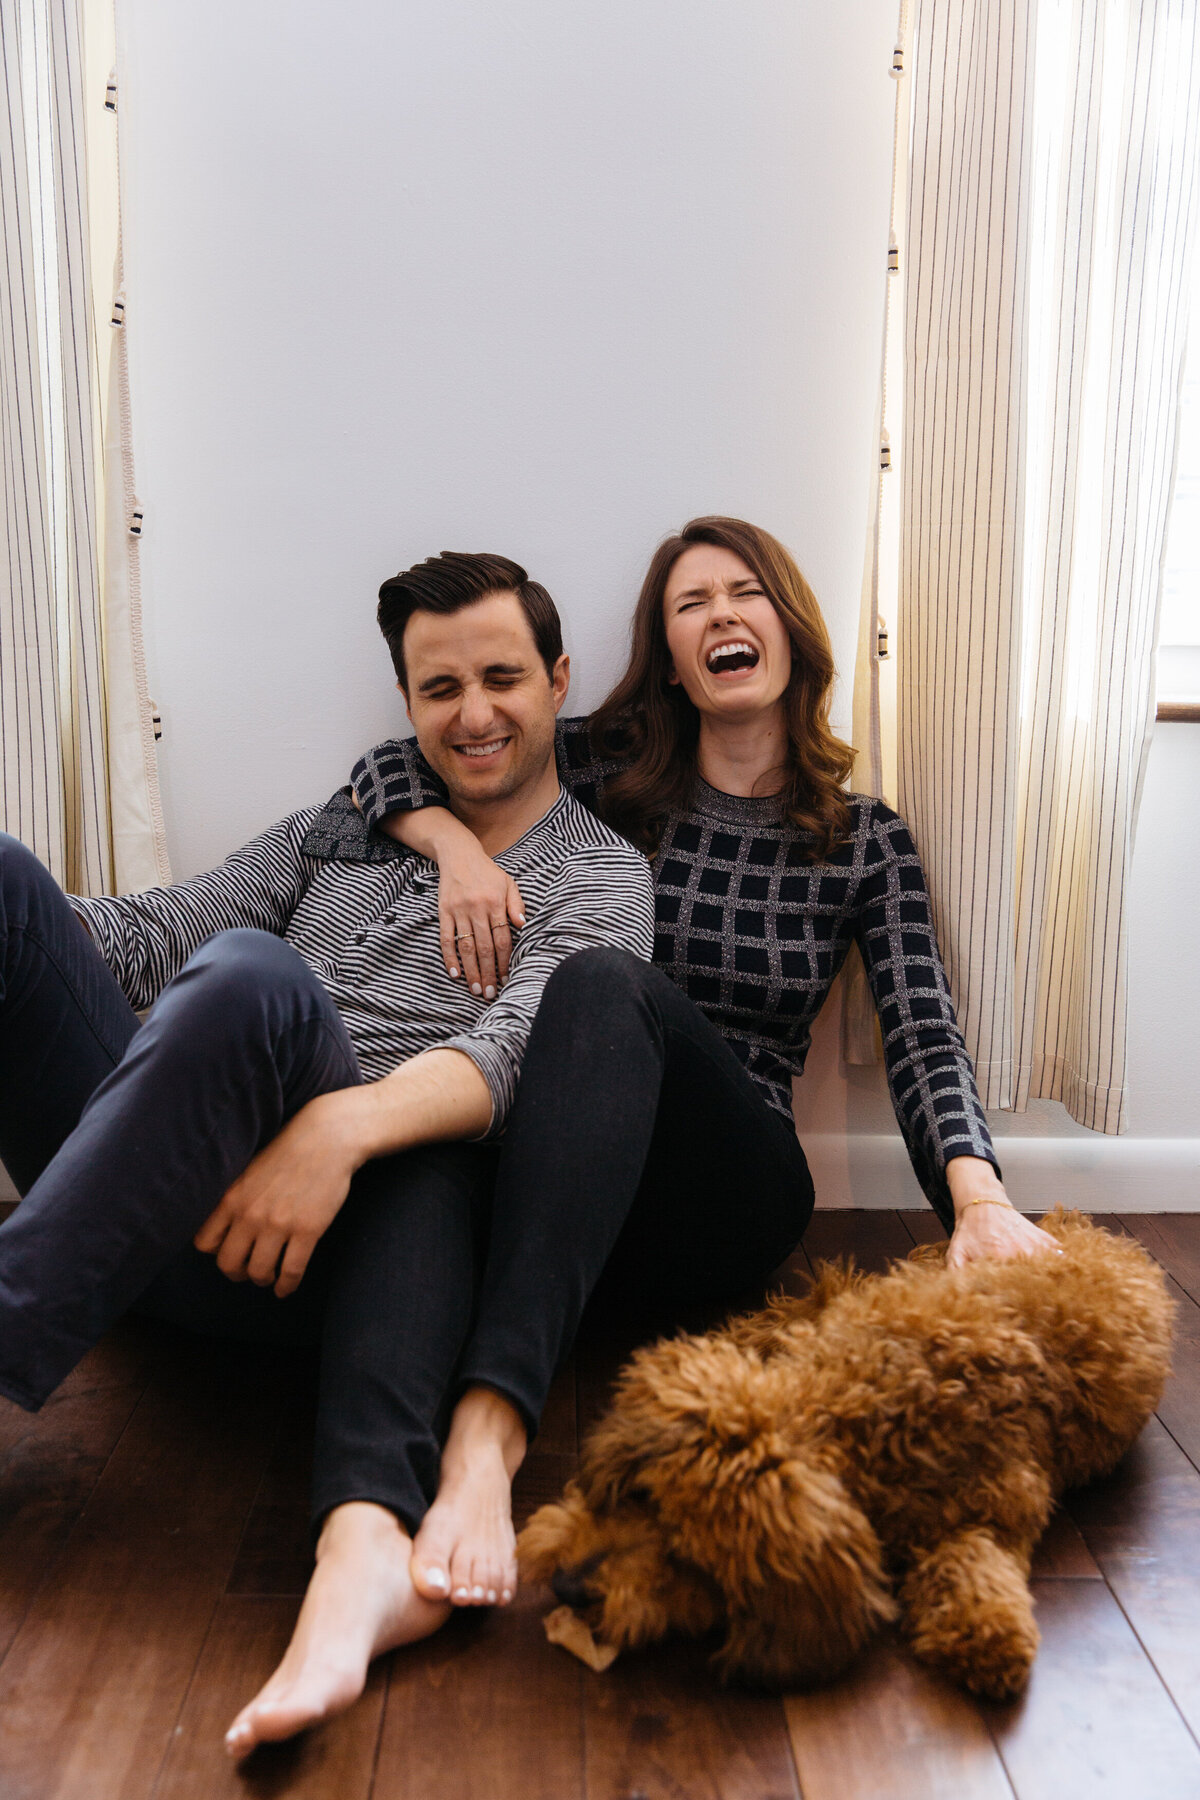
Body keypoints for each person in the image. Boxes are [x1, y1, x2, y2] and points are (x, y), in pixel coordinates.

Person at [0, 552, 654, 1756]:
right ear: (407, 705)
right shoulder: (333, 835)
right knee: (9, 884)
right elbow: (146, 937)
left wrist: (336, 1126)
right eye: (438, 688)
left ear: (558, 681)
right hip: (156, 1189)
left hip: (342, 1243)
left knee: (259, 979)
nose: (474, 714)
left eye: (503, 678)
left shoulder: (606, 879)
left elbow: (518, 1053)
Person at [349, 515, 1063, 1619]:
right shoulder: (602, 769)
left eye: (746, 594)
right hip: (565, 1171)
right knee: (521, 1065)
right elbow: (397, 762)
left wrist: (977, 1200)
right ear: (672, 658)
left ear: (789, 628)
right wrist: (454, 852)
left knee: (599, 979)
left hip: (723, 1191)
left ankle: (486, 1446)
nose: (722, 616)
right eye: (691, 605)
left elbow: (923, 1029)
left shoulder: (863, 839)